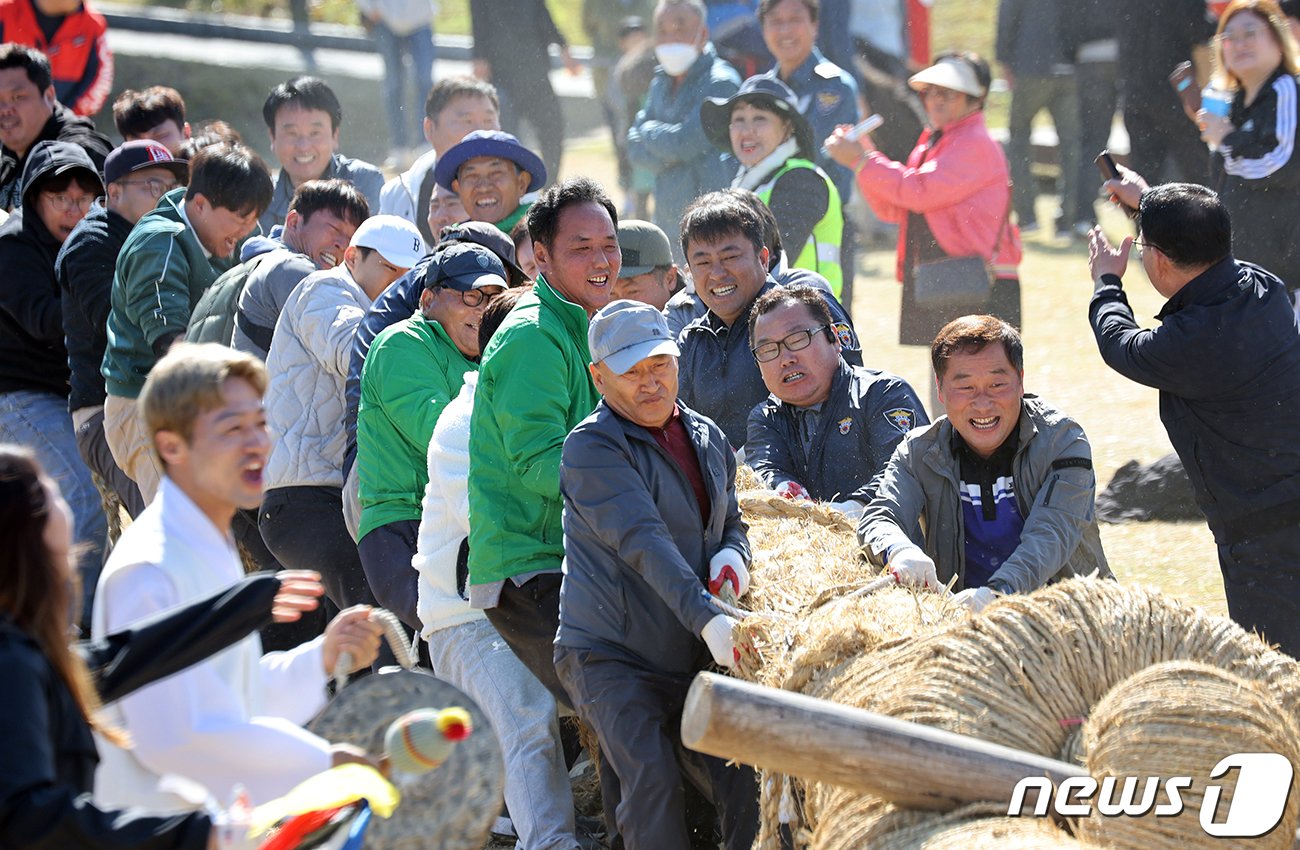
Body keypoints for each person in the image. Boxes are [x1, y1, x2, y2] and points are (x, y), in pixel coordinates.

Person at [92, 343, 385, 811]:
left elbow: (229, 696)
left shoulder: (207, 543)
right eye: (232, 428)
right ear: (172, 445)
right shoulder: (148, 568)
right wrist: (321, 763)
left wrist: (320, 658)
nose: (257, 443)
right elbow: (172, 738)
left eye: (261, 423)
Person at [0, 445, 333, 849]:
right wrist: (197, 834)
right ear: (23, 525)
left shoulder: (22, 650)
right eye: (47, 487)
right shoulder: (11, 659)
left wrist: (247, 603)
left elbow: (120, 657)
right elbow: (27, 817)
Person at [556, 299, 759, 850]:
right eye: (632, 372)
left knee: (746, 769)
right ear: (599, 377)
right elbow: (643, 541)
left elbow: (732, 520)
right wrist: (706, 619)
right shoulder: (591, 448)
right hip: (610, 653)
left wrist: (732, 556)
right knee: (652, 780)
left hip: (689, 649)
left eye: (660, 365)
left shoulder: (707, 436)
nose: (651, 384)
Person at [1087, 182, 1300, 657]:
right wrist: (1148, 203)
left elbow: (1120, 343)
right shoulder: (1265, 288)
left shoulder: (1192, 341)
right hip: (1280, 511)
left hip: (1267, 536)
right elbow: (1198, 235)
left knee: (1279, 674)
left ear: (1158, 259)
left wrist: (1107, 280)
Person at [413, 286, 583, 850]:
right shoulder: (464, 421)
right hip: (469, 615)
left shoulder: (548, 413)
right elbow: (492, 531)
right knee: (527, 723)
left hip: (509, 605)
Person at [467, 176, 619, 706]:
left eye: (608, 246)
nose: (601, 260)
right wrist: (633, 484)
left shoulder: (588, 326)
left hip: (571, 556)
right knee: (620, 708)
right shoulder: (533, 334)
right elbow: (537, 463)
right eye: (581, 248)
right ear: (541, 256)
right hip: (531, 566)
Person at [858, 315, 1111, 612]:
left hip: (1073, 622)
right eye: (965, 387)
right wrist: (898, 550)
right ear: (940, 391)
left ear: (1020, 381)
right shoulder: (918, 452)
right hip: (963, 624)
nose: (982, 403)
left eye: (997, 384)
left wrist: (996, 596)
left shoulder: (1063, 441)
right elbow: (879, 517)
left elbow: (1051, 535)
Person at [261, 215, 423, 616]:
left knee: (350, 632)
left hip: (340, 496)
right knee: (379, 615)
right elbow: (355, 352)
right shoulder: (325, 287)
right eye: (389, 268)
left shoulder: (392, 318)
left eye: (409, 275)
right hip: (305, 496)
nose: (399, 284)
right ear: (352, 256)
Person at [825, 51, 1022, 374]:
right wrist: (865, 156)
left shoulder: (974, 142)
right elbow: (896, 205)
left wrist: (861, 160)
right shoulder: (937, 139)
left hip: (972, 279)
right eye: (929, 91)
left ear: (976, 97)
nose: (935, 100)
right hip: (948, 275)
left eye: (947, 92)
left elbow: (917, 192)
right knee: (951, 379)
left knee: (968, 382)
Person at [101, 142, 273, 503]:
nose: (246, 230)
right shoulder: (159, 243)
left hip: (198, 401)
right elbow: (171, 344)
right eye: (240, 219)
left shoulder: (221, 233)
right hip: (145, 407)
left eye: (252, 219)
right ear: (200, 204)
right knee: (181, 522)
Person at [358, 243, 507, 629]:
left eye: (494, 299)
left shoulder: (491, 358)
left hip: (459, 525)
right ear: (427, 299)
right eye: (471, 296)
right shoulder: (402, 344)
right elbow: (444, 435)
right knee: (435, 651)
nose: (483, 310)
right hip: (403, 527)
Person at [0, 140, 107, 628]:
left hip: (65, 399)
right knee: (81, 498)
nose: (72, 209)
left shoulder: (93, 244)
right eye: (59, 197)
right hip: (18, 398)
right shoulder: (13, 246)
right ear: (34, 199)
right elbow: (43, 320)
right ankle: (75, 636)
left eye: (83, 199)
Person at [57, 140, 188, 522]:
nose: (166, 196)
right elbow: (115, 322)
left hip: (160, 404)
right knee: (167, 525)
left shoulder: (165, 237)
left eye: (172, 187)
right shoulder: (90, 244)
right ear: (113, 192)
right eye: (153, 186)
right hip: (108, 411)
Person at [675, 191, 859, 449]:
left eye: (730, 257)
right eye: (703, 262)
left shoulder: (806, 310)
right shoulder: (692, 339)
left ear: (763, 258)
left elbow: (851, 404)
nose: (717, 274)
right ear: (689, 272)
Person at [745, 284, 926, 518]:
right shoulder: (766, 417)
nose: (786, 359)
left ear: (835, 338)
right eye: (768, 349)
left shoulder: (882, 394)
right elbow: (767, 470)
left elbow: (906, 472)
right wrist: (786, 494)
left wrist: (851, 510)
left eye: (798, 338)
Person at [756, 0, 861, 308]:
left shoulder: (835, 85)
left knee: (830, 330)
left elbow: (815, 154)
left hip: (824, 224)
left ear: (815, 25)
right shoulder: (760, 91)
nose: (785, 30)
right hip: (769, 225)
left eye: (795, 19)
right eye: (776, 21)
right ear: (763, 29)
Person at [700, 75, 845, 296]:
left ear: (787, 128)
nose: (747, 130)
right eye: (739, 119)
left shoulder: (801, 179)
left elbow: (770, 264)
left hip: (809, 320)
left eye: (760, 118)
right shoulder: (747, 182)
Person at [1197, 0, 1300, 299]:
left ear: (1278, 40)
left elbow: (1285, 165)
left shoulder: (1287, 89)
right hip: (1245, 276)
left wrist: (1228, 139)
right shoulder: (1234, 105)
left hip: (1286, 281)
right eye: (1229, 37)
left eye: (1250, 33)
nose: (1239, 44)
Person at [627, 0, 741, 262]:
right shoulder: (659, 82)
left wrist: (649, 133)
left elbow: (684, 143)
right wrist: (669, 147)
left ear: (703, 34)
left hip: (713, 226)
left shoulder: (721, 82)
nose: (670, 38)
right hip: (668, 219)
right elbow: (634, 149)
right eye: (662, 30)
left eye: (679, 27)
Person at [232, 179, 374, 360]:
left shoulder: (269, 261)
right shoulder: (290, 268)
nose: (342, 245)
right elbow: (351, 347)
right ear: (293, 222)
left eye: (351, 239)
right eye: (334, 229)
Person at [996, 0, 1083, 237]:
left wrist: (1004, 58)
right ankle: (1068, 219)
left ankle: (1027, 216)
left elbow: (1007, 18)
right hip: (1069, 67)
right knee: (1071, 146)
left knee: (1019, 139)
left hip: (1030, 65)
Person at [378, 75, 499, 245]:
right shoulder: (397, 195)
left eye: (489, 120)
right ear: (430, 128)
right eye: (467, 121)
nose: (480, 133)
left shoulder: (522, 195)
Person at [258, 76, 384, 232]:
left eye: (314, 133)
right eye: (292, 133)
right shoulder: (261, 198)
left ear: (334, 136)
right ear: (273, 137)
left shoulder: (363, 182)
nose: (304, 146)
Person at [469, 0, 577, 177]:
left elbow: (542, 14)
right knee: (506, 134)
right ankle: (511, 185)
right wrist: (479, 57)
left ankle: (550, 182)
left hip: (535, 68)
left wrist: (563, 46)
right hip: (500, 72)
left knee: (552, 125)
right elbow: (479, 21)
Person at [1116, 0, 1216, 185]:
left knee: (1144, 181)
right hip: (1177, 91)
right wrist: (1219, 23)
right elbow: (1198, 29)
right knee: (1200, 176)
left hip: (1135, 91)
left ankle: (1147, 214)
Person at [0, 44, 109, 211]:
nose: (5, 109)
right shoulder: (8, 147)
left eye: (18, 97)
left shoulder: (81, 153)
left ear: (49, 95)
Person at [357, 0, 436, 167]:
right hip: (384, 20)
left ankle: (425, 142)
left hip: (420, 18)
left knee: (425, 81)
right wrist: (369, 7)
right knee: (393, 85)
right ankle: (399, 147)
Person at [0, 0, 112, 118]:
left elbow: (100, 83)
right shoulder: (4, 13)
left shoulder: (93, 24)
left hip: (62, 127)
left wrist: (62, 121)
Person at [434, 128, 547, 234]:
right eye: (472, 176)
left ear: (522, 183)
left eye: (496, 174)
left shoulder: (543, 233)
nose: (483, 187)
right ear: (458, 188)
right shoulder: (452, 241)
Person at [613, 218, 681, 309]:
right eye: (611, 294)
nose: (619, 306)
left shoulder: (697, 317)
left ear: (670, 279)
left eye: (632, 291)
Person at [112, 86, 192, 154]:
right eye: (138, 143)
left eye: (160, 136)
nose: (150, 149)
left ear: (186, 133)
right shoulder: (115, 171)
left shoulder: (203, 170)